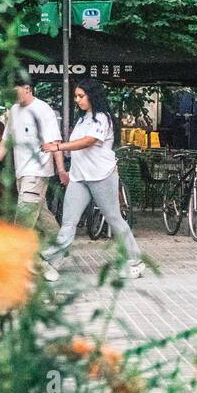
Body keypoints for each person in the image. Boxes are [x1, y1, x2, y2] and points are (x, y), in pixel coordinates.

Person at [38, 78, 142, 282]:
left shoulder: (102, 118)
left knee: (114, 218)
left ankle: (134, 261)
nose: (77, 100)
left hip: (102, 175)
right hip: (79, 177)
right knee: (68, 222)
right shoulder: (83, 118)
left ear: (92, 95)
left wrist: (58, 147)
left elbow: (88, 142)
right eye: (76, 96)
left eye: (80, 96)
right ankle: (51, 262)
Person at [0, 75, 68, 237]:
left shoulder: (43, 111)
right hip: (21, 175)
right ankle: (61, 244)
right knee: (42, 217)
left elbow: (55, 142)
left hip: (37, 174)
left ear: (27, 89)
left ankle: (18, 259)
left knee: (22, 223)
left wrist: (61, 170)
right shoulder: (14, 111)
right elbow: (6, 142)